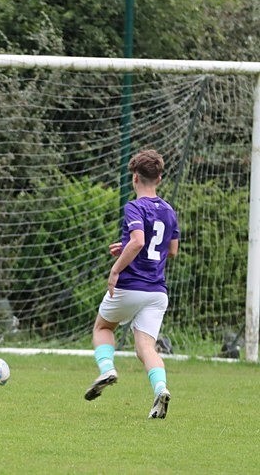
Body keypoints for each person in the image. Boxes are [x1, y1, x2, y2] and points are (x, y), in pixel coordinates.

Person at [84, 149, 179, 419]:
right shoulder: (170, 211)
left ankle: (107, 369)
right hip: (157, 292)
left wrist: (115, 269)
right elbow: (171, 250)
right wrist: (127, 246)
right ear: (159, 178)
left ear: (134, 178)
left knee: (103, 327)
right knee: (145, 348)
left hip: (130, 287)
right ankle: (161, 389)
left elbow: (138, 241)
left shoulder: (134, 207)